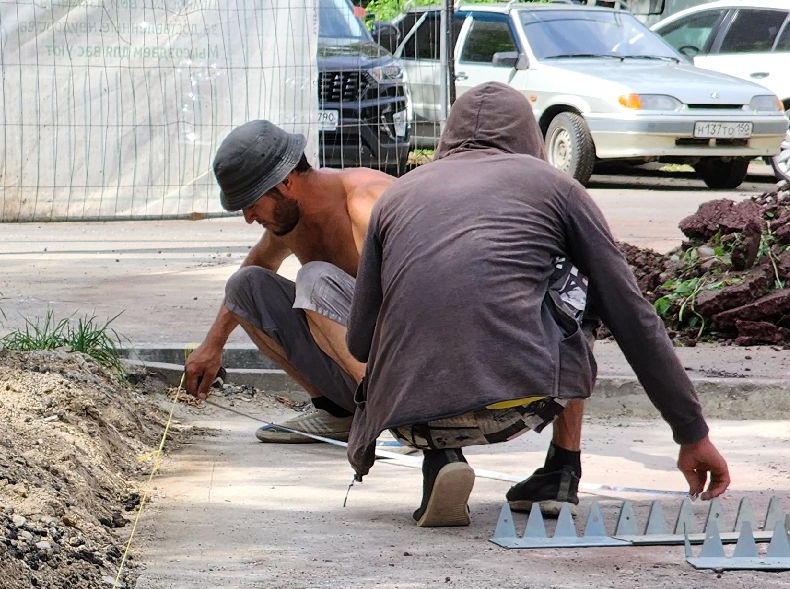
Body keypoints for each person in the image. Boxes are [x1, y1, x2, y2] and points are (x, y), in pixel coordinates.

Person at [344, 82, 731, 527]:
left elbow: (359, 342)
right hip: (522, 402)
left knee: (425, 299)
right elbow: (634, 318)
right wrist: (692, 433)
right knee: (581, 283)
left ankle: (442, 460)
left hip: (406, 415)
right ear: (529, 135)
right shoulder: (556, 187)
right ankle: (562, 469)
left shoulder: (395, 195)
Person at [182, 120, 390, 443]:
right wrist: (213, 344)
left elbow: (420, 295)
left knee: (313, 279)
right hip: (366, 369)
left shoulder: (365, 202)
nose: (248, 217)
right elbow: (255, 267)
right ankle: (338, 412)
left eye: (252, 203)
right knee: (244, 286)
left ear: (286, 183)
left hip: (410, 369)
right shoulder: (289, 222)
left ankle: (393, 415)